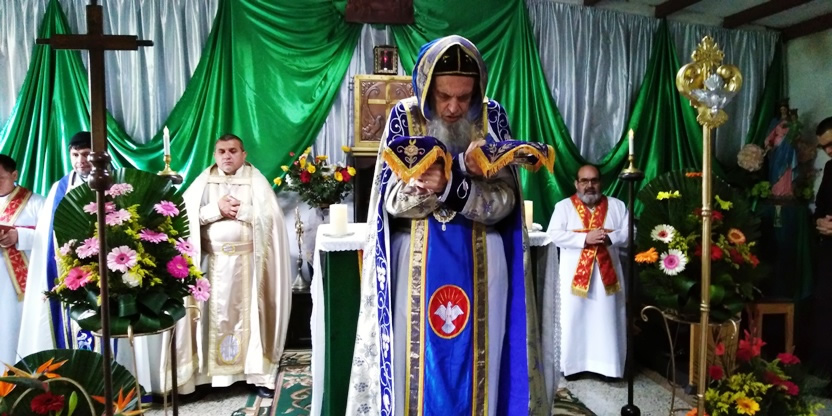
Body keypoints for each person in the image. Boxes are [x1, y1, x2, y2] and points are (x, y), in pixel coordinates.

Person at [346, 35, 548, 416]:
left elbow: (507, 202)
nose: (454, 107)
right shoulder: (404, 117)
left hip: (484, 265)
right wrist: (431, 187)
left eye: (464, 97)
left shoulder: (491, 118)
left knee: (481, 362)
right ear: (427, 89)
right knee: (415, 365)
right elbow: (389, 202)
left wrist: (455, 184)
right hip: (415, 265)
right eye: (443, 96)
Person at [174, 134, 291, 397]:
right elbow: (184, 218)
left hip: (247, 268)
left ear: (243, 154)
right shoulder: (203, 182)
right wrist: (216, 209)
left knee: (248, 317)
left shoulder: (256, 180)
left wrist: (243, 211)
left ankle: (255, 375)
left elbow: (272, 220)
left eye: (233, 150)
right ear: (214, 155)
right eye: (222, 151)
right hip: (209, 265)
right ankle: (203, 379)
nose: (227, 156)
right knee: (207, 319)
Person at [547, 165, 629, 379]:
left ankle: (609, 368)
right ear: (576, 184)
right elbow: (553, 234)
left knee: (607, 319)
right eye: (584, 181)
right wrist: (585, 238)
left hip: (607, 280)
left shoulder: (617, 206)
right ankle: (573, 366)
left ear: (601, 182)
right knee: (573, 318)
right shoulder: (563, 207)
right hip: (573, 279)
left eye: (594, 180)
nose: (589, 185)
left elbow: (631, 232)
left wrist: (610, 238)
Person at [17, 132, 95, 357]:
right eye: (75, 155)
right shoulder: (59, 189)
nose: (80, 161)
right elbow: (47, 236)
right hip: (68, 270)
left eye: (86, 154)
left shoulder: (114, 182)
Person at [0, 155, 45, 365]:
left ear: (14, 175)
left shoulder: (36, 203)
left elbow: (52, 239)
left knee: (17, 333)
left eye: (0, 178)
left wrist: (19, 236)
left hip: (22, 289)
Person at [810, 116, 832, 391]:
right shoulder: (830, 168)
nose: (828, 151)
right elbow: (820, 206)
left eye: (831, 144)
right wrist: (819, 222)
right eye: (824, 147)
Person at [764, 100, 798, 198]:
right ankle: (776, 190)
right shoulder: (776, 121)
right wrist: (768, 144)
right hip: (777, 147)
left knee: (787, 167)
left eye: (784, 109)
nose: (783, 111)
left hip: (788, 146)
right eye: (781, 109)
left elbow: (796, 132)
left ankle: (787, 190)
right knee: (776, 167)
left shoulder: (791, 121)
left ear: (787, 109)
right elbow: (770, 135)